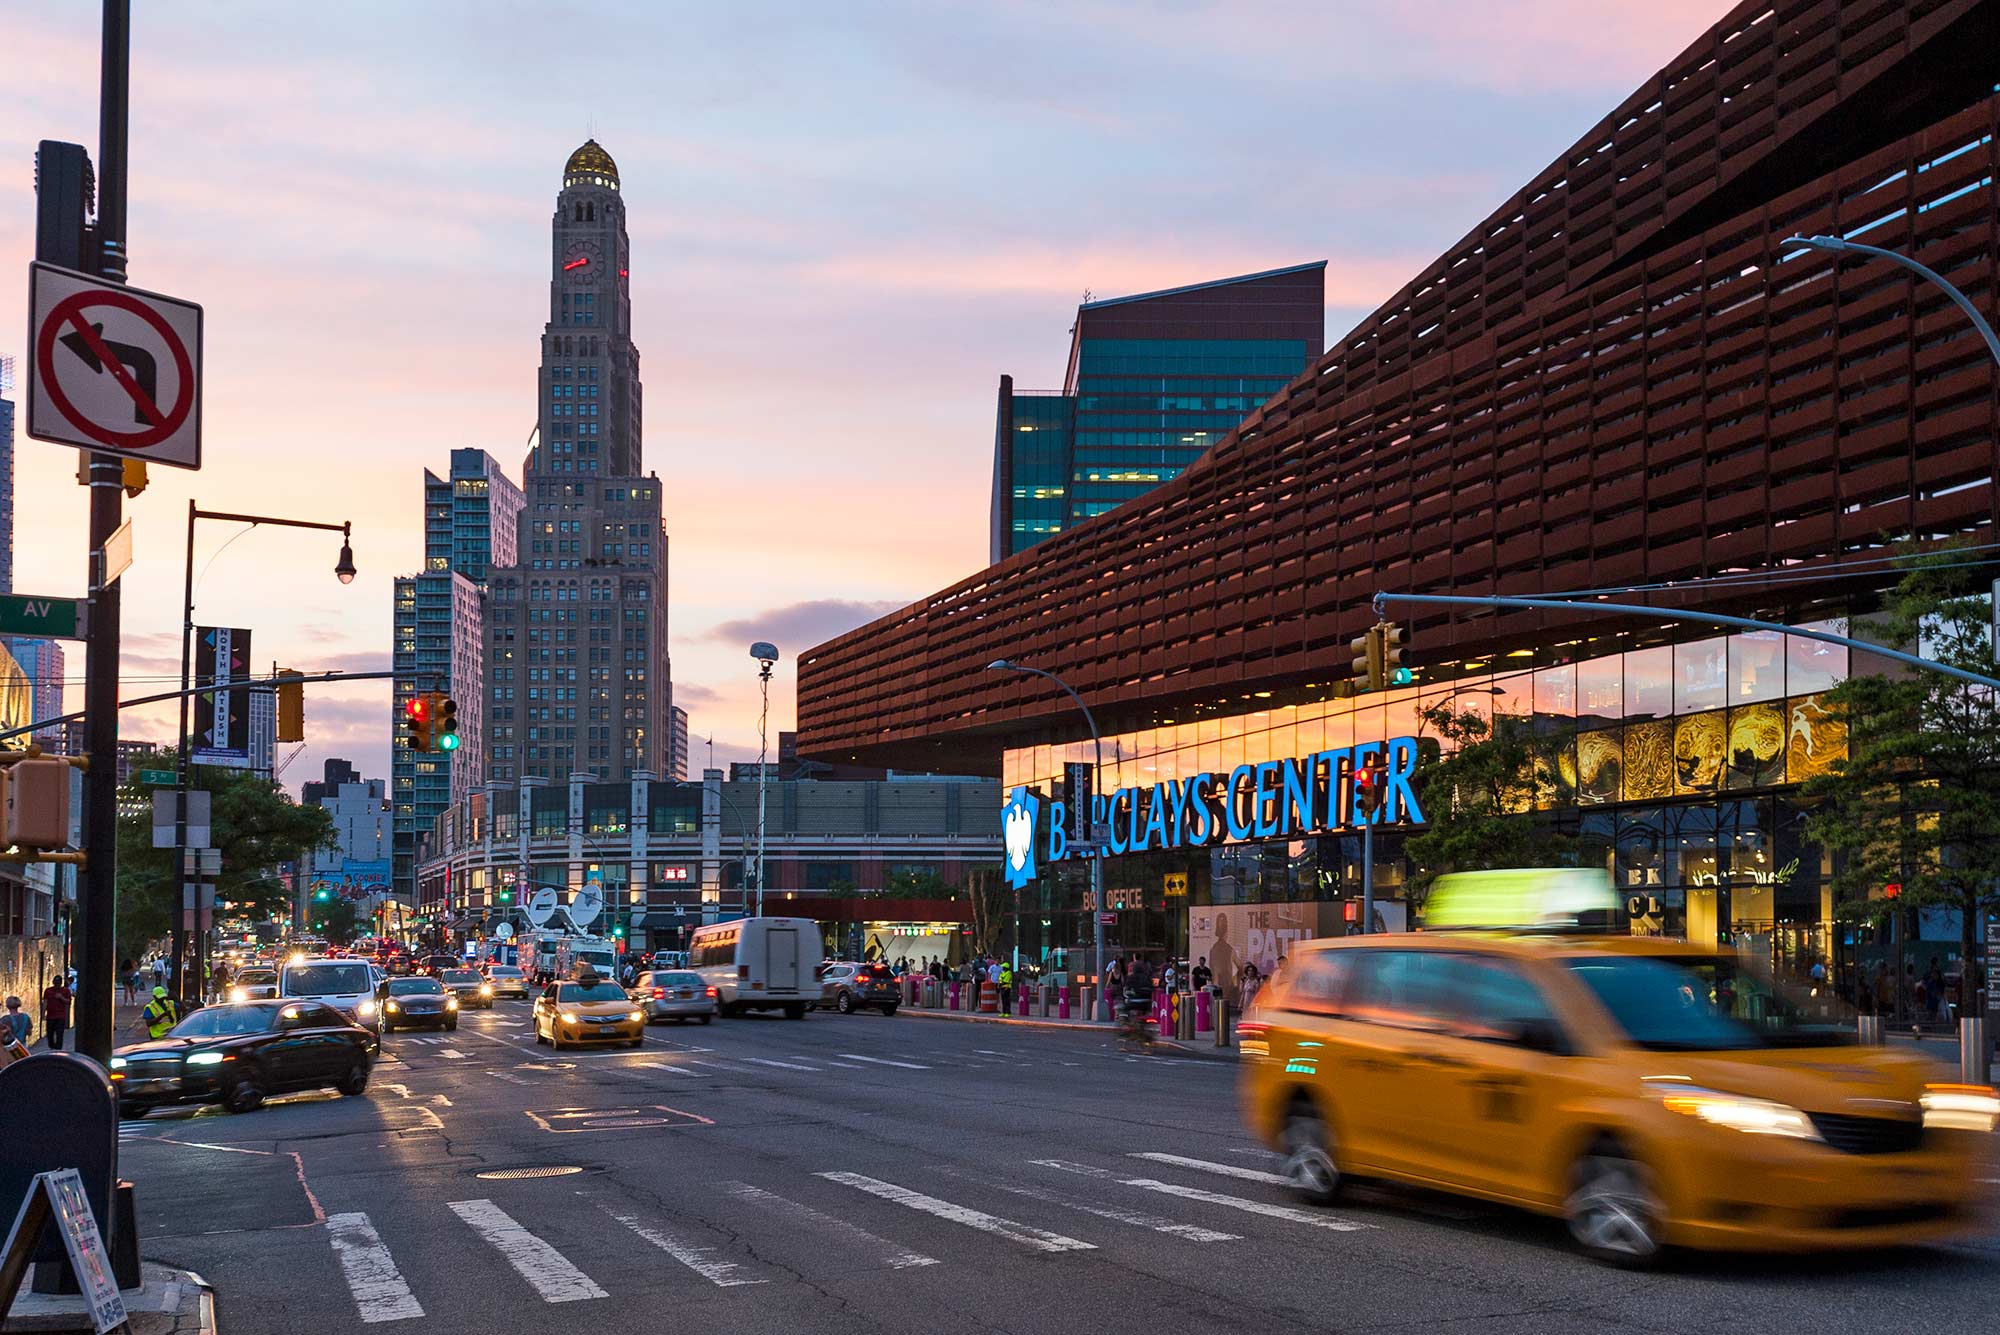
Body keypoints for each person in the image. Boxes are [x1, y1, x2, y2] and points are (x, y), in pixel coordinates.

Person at [39, 976, 73, 1051]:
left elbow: (69, 1002)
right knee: (50, 1034)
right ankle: (51, 1046)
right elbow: (45, 1002)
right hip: (50, 1016)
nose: (57, 984)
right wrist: (43, 1013)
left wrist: (61, 997)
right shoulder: (48, 990)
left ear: (61, 983)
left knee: (59, 1033)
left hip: (61, 1016)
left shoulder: (66, 990)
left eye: (58, 983)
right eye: (56, 982)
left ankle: (58, 1049)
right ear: (53, 982)